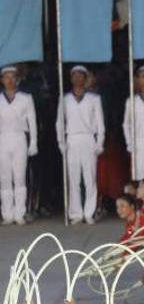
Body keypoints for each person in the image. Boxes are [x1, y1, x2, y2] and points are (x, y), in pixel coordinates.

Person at [56, 65, 105, 225]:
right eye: (74, 76)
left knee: (90, 178)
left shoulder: (94, 98)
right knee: (74, 179)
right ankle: (76, 213)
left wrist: (100, 142)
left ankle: (89, 212)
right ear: (70, 79)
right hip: (72, 139)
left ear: (85, 78)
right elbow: (59, 122)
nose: (77, 79)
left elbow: (100, 122)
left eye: (80, 76)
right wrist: (61, 142)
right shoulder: (65, 98)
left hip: (88, 138)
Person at [0, 65, 37, 225]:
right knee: (5, 179)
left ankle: (19, 213)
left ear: (17, 79)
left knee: (20, 177)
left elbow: (32, 121)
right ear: (2, 80)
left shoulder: (26, 98)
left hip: (19, 137)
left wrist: (33, 142)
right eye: (6, 77)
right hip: (2, 138)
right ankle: (7, 214)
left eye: (12, 77)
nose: (9, 80)